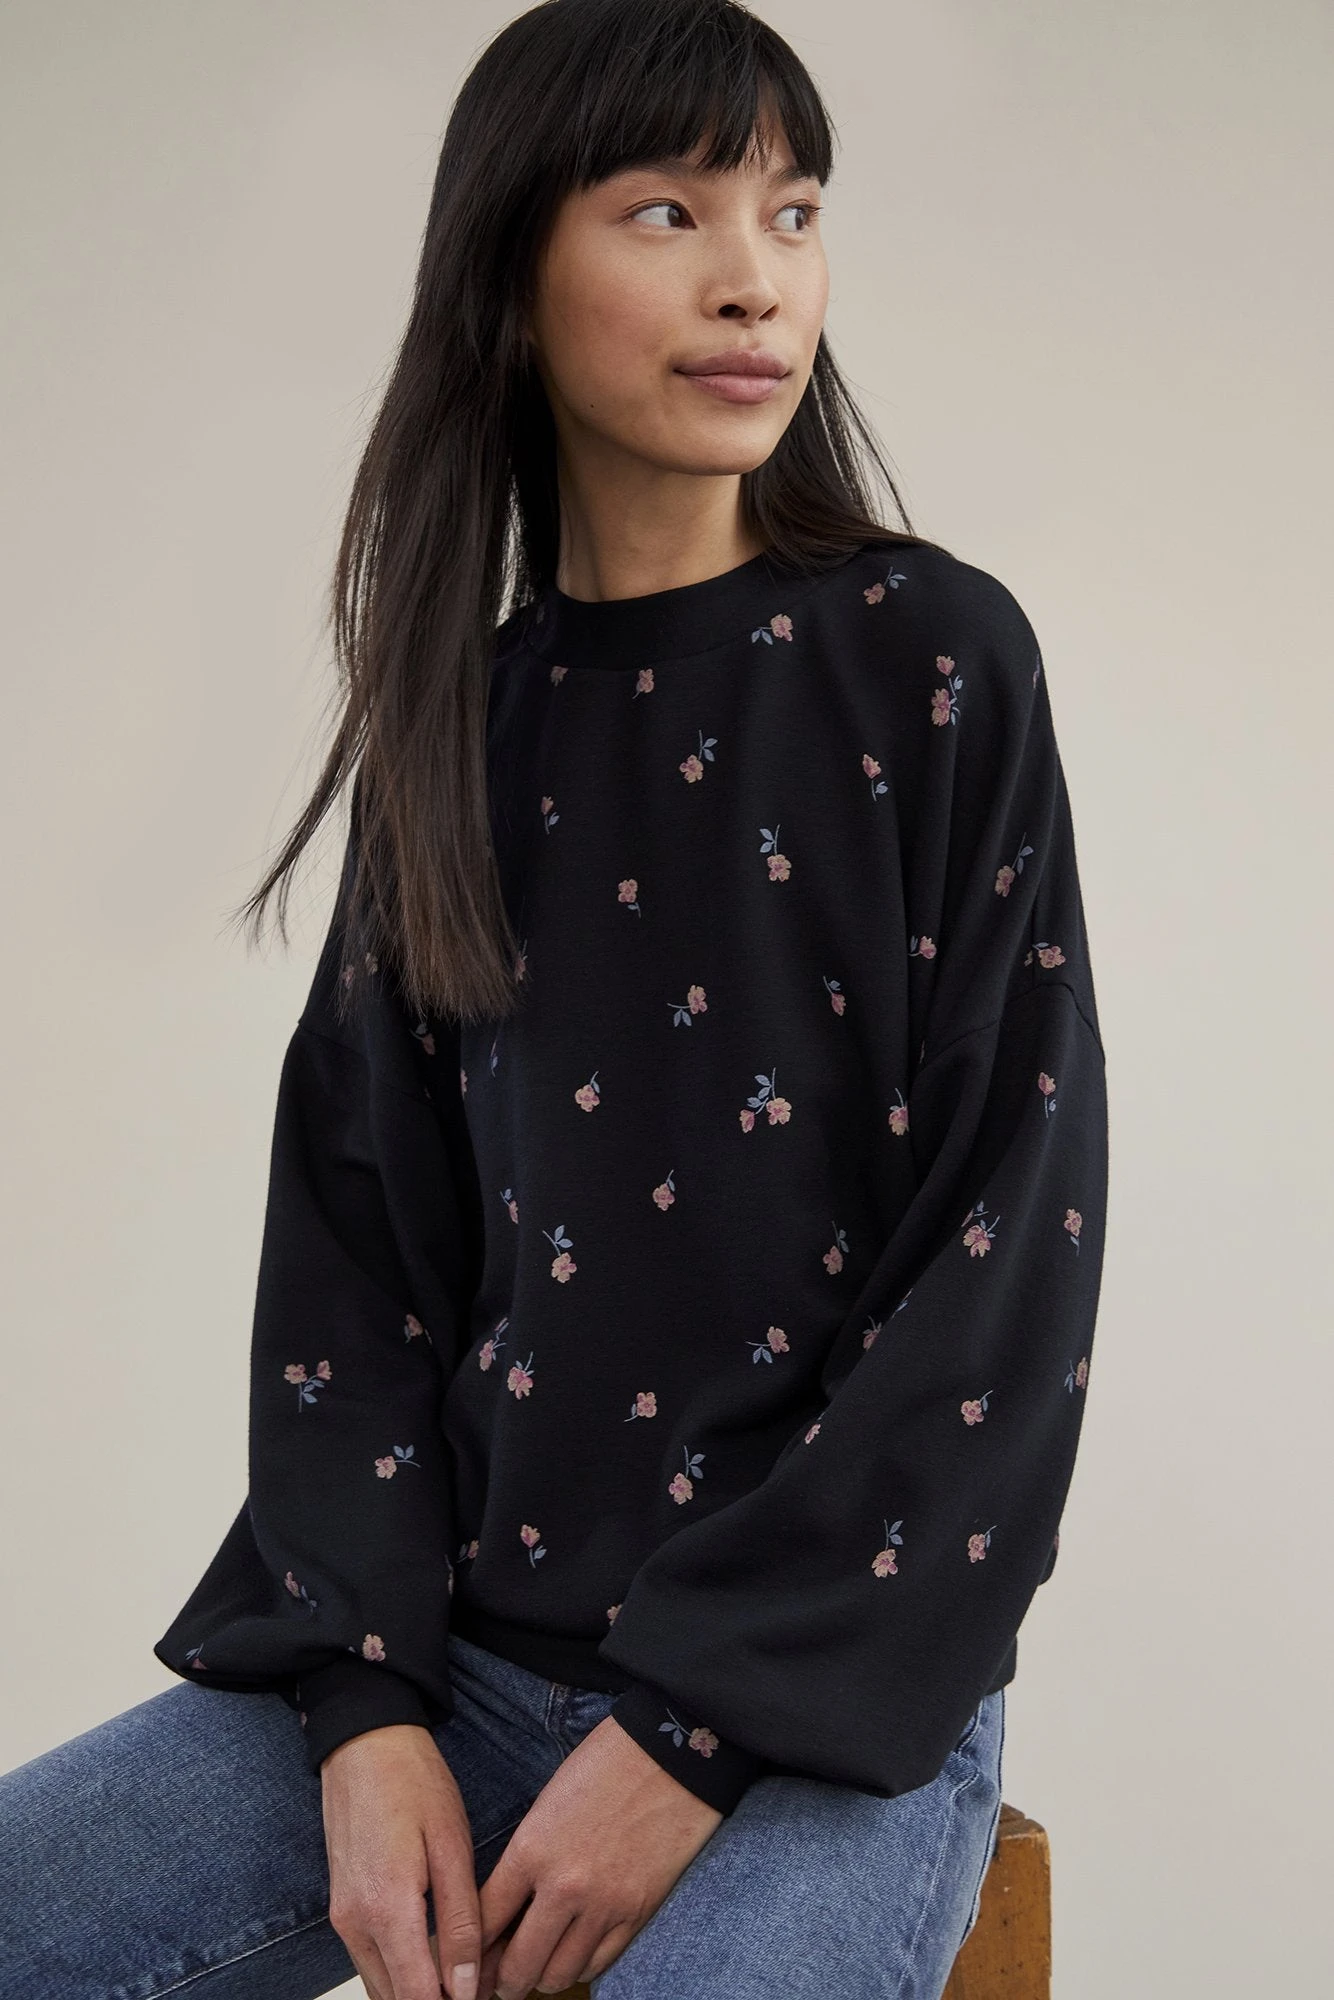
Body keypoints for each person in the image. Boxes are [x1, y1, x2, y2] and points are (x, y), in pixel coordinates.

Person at [0, 3, 1109, 1997]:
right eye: (668, 210)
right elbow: (359, 1259)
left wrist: (688, 1736)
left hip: (822, 1700)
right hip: (458, 1661)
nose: (754, 276)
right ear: (509, 276)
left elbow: (1004, 1247)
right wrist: (362, 1709)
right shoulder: (461, 720)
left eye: (791, 210)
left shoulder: (931, 659)